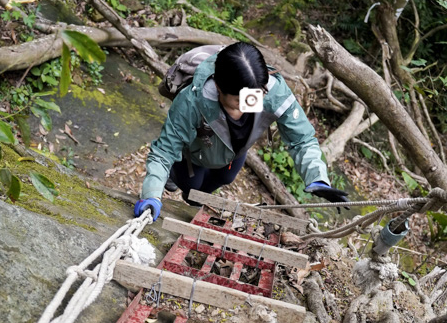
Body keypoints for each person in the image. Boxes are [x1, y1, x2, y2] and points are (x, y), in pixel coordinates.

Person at [133, 41, 348, 220]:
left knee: (223, 179)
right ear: (219, 88)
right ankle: (172, 177)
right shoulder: (193, 100)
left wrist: (317, 177)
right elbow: (164, 152)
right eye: (238, 101)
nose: (246, 107)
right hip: (195, 153)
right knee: (192, 189)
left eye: (253, 98)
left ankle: (196, 198)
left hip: (235, 152)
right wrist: (152, 195)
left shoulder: (271, 92)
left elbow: (301, 139)